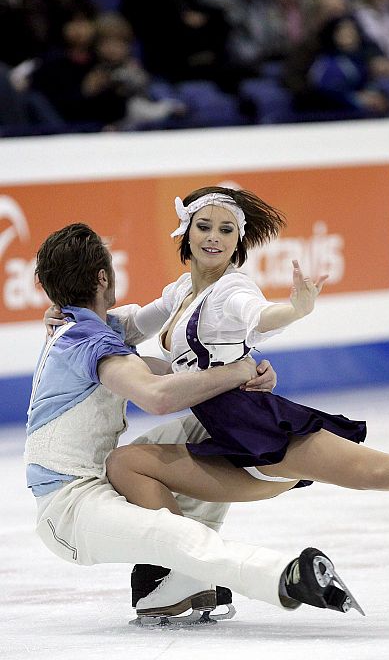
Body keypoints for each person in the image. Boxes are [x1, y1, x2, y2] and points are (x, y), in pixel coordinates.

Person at [78, 186, 389, 614]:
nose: (214, 237)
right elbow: (132, 325)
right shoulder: (182, 289)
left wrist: (294, 309)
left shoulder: (232, 292)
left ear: (237, 243)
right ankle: (185, 572)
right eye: (204, 226)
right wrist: (76, 315)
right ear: (185, 233)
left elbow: (258, 315)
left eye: (226, 230)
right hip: (221, 433)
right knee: (129, 464)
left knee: (378, 471)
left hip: (258, 429)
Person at [29, 222, 362, 626]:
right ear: (103, 277)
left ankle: (190, 575)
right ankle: (286, 578)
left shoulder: (103, 327)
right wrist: (238, 368)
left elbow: (178, 318)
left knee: (212, 423)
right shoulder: (87, 341)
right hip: (68, 508)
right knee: (167, 534)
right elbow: (158, 395)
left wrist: (245, 374)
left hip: (101, 476)